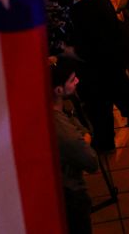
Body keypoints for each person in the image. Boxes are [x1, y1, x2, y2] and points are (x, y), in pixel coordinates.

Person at [48, 0, 129, 152]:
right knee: (122, 88)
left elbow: (87, 51)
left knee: (99, 106)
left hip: (96, 65)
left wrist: (63, 51)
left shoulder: (88, 14)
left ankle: (105, 144)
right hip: (115, 57)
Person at [49, 57, 99, 234]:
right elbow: (91, 161)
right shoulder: (63, 131)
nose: (77, 81)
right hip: (70, 194)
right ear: (59, 90)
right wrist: (85, 137)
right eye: (72, 80)